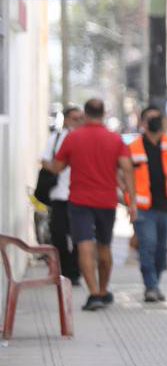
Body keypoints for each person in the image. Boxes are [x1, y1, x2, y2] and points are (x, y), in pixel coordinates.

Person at [47, 98, 136, 311]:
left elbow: (58, 167)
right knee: (104, 246)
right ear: (104, 113)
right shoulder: (115, 140)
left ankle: (94, 293)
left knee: (84, 246)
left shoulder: (73, 138)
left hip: (79, 201)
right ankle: (104, 290)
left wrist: (49, 164)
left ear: (85, 114)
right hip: (106, 201)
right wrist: (132, 202)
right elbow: (127, 169)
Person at [127, 105, 167, 302]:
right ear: (144, 123)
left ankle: (155, 281)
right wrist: (128, 202)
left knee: (162, 250)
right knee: (148, 246)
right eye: (151, 119)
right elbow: (123, 175)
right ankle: (151, 287)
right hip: (144, 208)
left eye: (158, 118)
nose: (155, 122)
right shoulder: (134, 148)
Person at [40, 106, 85, 286]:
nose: (78, 122)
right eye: (74, 118)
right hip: (59, 194)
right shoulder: (56, 138)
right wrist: (58, 168)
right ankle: (64, 271)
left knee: (79, 236)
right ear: (66, 120)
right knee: (58, 235)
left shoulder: (84, 138)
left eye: (80, 118)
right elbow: (44, 159)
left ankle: (75, 272)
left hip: (80, 195)